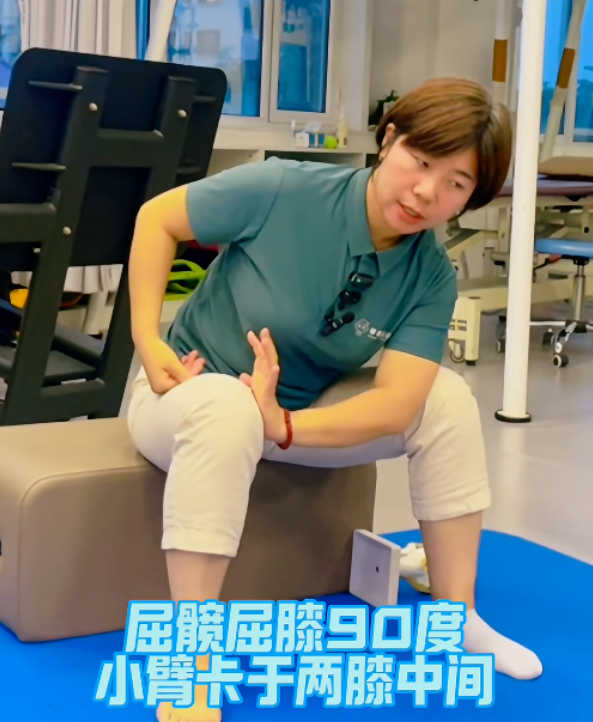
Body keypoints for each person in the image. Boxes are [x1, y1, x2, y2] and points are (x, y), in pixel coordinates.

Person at [127, 77, 542, 722]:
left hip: (291, 417)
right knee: (227, 407)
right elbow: (157, 218)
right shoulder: (284, 188)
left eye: (456, 183)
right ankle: (191, 659)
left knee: (447, 398)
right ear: (389, 139)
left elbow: (398, 404)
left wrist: (285, 425)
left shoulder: (430, 274)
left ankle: (456, 615)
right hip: (187, 396)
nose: (426, 192)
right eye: (420, 162)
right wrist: (147, 337)